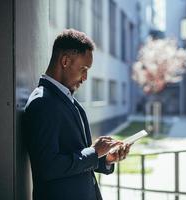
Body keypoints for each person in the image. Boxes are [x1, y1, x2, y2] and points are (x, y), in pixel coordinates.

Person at [23, 29, 131, 200]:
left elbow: (76, 155)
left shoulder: (70, 101)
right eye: (84, 69)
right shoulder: (42, 102)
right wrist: (94, 152)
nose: (85, 77)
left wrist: (106, 159)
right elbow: (47, 167)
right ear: (65, 61)